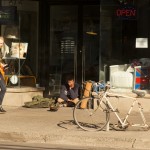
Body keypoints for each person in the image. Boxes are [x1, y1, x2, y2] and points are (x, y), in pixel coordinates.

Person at [0, 37, 7, 112]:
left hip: (1, 72)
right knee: (3, 88)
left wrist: (3, 65)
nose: (1, 44)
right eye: (0, 43)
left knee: (3, 88)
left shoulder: (1, 51)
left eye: (2, 43)